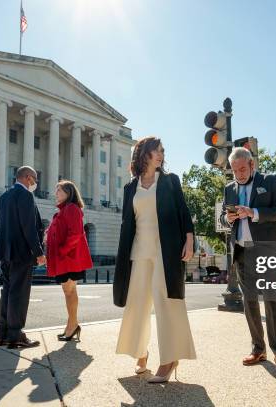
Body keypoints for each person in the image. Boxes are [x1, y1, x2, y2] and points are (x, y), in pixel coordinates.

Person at [114, 136, 196, 383]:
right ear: (144, 154)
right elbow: (128, 223)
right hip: (138, 251)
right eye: (156, 151)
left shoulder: (170, 181)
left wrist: (189, 241)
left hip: (166, 251)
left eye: (162, 151)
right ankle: (141, 353)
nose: (160, 154)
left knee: (166, 302)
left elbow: (184, 212)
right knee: (137, 304)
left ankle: (169, 359)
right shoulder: (131, 187)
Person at [220, 147, 276, 370]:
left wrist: (253, 212)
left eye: (242, 169)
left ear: (252, 164)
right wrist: (228, 217)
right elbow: (223, 218)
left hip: (267, 249)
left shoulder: (270, 181)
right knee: (249, 300)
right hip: (241, 249)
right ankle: (258, 349)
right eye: (234, 171)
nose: (239, 174)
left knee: (271, 296)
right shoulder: (229, 189)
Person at [0, 165, 45, 349]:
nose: (36, 183)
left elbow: (0, 226)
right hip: (21, 253)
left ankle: (3, 333)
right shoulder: (25, 196)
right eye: (35, 179)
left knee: (7, 291)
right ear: (28, 177)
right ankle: (15, 335)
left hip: (5, 253)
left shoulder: (3, 197)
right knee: (19, 293)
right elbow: (29, 228)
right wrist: (39, 253)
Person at [46, 180, 93, 342]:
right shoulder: (63, 210)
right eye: (56, 190)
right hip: (64, 259)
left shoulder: (71, 209)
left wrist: (62, 251)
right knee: (69, 291)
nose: (56, 193)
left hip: (69, 259)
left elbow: (76, 234)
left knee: (69, 291)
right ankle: (72, 325)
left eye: (59, 190)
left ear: (69, 193)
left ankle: (72, 326)